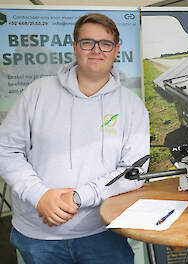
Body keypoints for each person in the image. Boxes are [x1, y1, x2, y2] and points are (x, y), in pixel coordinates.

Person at [0, 13, 149, 263]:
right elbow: (6, 150)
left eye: (105, 44)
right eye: (87, 42)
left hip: (104, 231)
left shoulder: (132, 106)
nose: (96, 50)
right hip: (39, 237)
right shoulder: (38, 92)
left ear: (116, 50)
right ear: (75, 47)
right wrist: (40, 196)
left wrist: (78, 197)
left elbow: (133, 171)